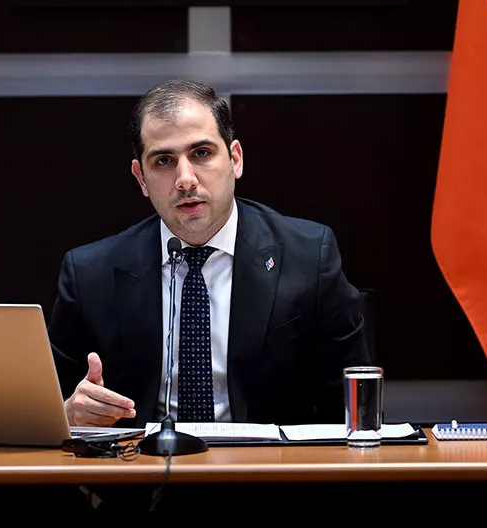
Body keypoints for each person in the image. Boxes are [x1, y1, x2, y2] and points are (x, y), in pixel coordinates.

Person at [48, 79, 370, 429]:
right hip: (142, 461)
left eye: (201, 153)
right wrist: (69, 412)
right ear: (141, 178)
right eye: (164, 161)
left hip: (268, 462)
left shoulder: (308, 256)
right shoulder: (89, 275)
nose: (185, 179)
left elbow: (355, 407)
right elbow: (47, 410)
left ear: (235, 159)